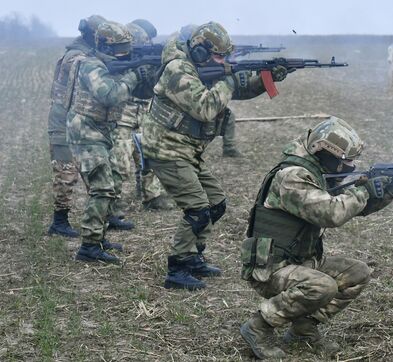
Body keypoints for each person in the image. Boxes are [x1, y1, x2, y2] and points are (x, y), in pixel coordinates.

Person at [141, 21, 288, 290]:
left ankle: (193, 255)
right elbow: (206, 108)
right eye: (219, 56)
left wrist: (264, 79)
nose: (223, 61)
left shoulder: (201, 68)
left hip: (186, 150)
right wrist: (229, 79)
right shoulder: (178, 70)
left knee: (216, 204)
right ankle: (177, 267)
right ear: (199, 51)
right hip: (166, 149)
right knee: (197, 209)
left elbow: (236, 91)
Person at [239, 117, 393, 359]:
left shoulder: (316, 171)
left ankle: (304, 329)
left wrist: (387, 191)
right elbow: (332, 213)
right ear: (324, 151)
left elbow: (354, 206)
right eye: (344, 160)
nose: (349, 166)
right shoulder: (292, 177)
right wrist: (364, 190)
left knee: (357, 273)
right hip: (270, 268)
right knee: (323, 287)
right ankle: (259, 326)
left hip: (300, 262)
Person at [66, 21, 155, 263]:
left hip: (100, 132)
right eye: (121, 47)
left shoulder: (109, 65)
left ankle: (99, 237)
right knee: (103, 188)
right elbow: (110, 95)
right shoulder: (90, 65)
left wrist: (146, 74)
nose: (126, 51)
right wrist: (134, 75)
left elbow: (139, 92)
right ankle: (89, 247)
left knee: (109, 185)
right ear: (105, 45)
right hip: (85, 134)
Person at [46, 15, 106, 238]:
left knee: (93, 168)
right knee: (65, 172)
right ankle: (59, 222)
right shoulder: (76, 57)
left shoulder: (86, 53)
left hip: (77, 120)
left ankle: (104, 215)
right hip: (62, 121)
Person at [110, 19, 174, 212]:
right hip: (122, 114)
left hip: (145, 111)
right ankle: (113, 201)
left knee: (150, 155)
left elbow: (151, 89)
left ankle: (152, 196)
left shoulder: (148, 60)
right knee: (120, 160)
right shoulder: (116, 61)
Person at [178, 24, 243, 158]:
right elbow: (204, 109)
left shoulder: (195, 61)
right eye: (218, 56)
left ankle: (229, 148)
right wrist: (229, 82)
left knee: (228, 116)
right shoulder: (180, 67)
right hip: (171, 148)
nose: (220, 61)